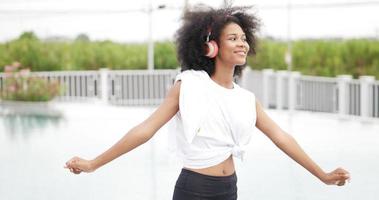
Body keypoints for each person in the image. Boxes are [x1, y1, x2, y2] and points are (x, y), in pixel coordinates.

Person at [65, 5, 351, 200]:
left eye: (243, 38)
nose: (242, 43)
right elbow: (145, 130)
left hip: (229, 188)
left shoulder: (245, 99)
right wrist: (94, 163)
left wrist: (322, 175)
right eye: (232, 38)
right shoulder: (188, 85)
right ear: (211, 46)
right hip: (195, 189)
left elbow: (282, 138)